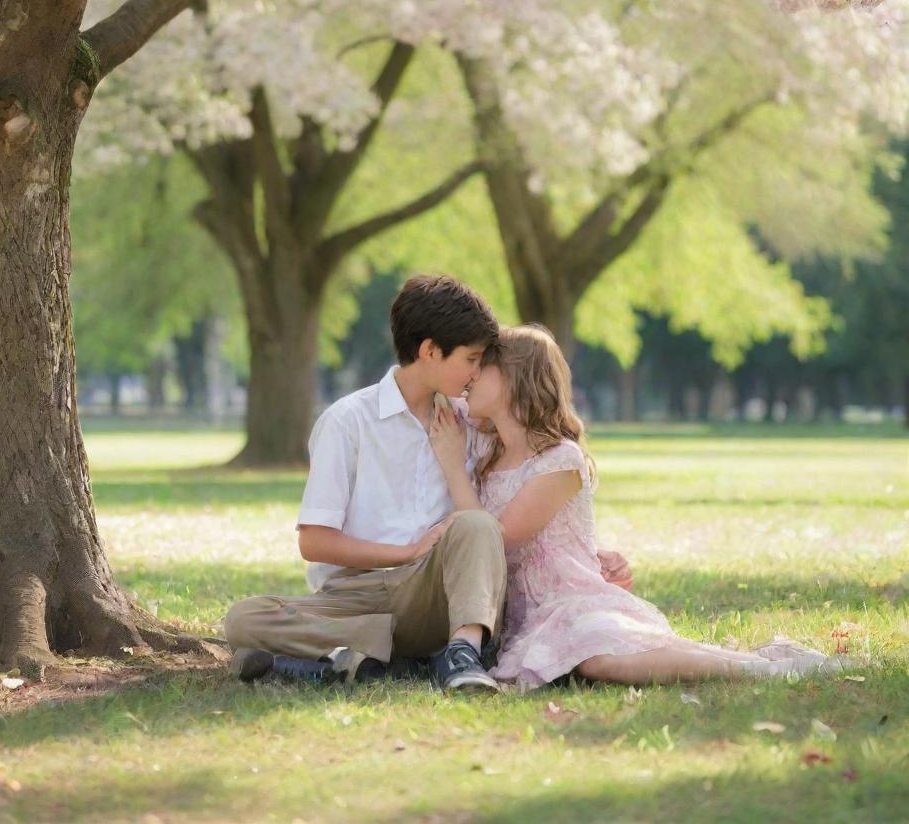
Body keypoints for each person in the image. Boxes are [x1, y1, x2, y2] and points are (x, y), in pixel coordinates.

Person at [221, 277, 632, 692]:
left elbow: (522, 491)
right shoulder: (348, 421)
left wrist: (582, 551)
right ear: (430, 351)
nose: (477, 372)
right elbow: (314, 542)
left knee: (474, 525)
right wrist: (405, 552)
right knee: (243, 619)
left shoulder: (469, 422)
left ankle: (439, 655)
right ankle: (384, 659)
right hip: (354, 595)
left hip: (439, 594)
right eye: (472, 358)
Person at [428, 323, 843, 690]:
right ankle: (766, 661)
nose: (471, 375)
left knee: (601, 661)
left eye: (482, 365)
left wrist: (452, 466)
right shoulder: (488, 448)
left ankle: (763, 668)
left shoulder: (559, 458)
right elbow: (429, 384)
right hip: (523, 615)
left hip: (568, 599)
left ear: (513, 376)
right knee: (595, 660)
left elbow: (497, 538)